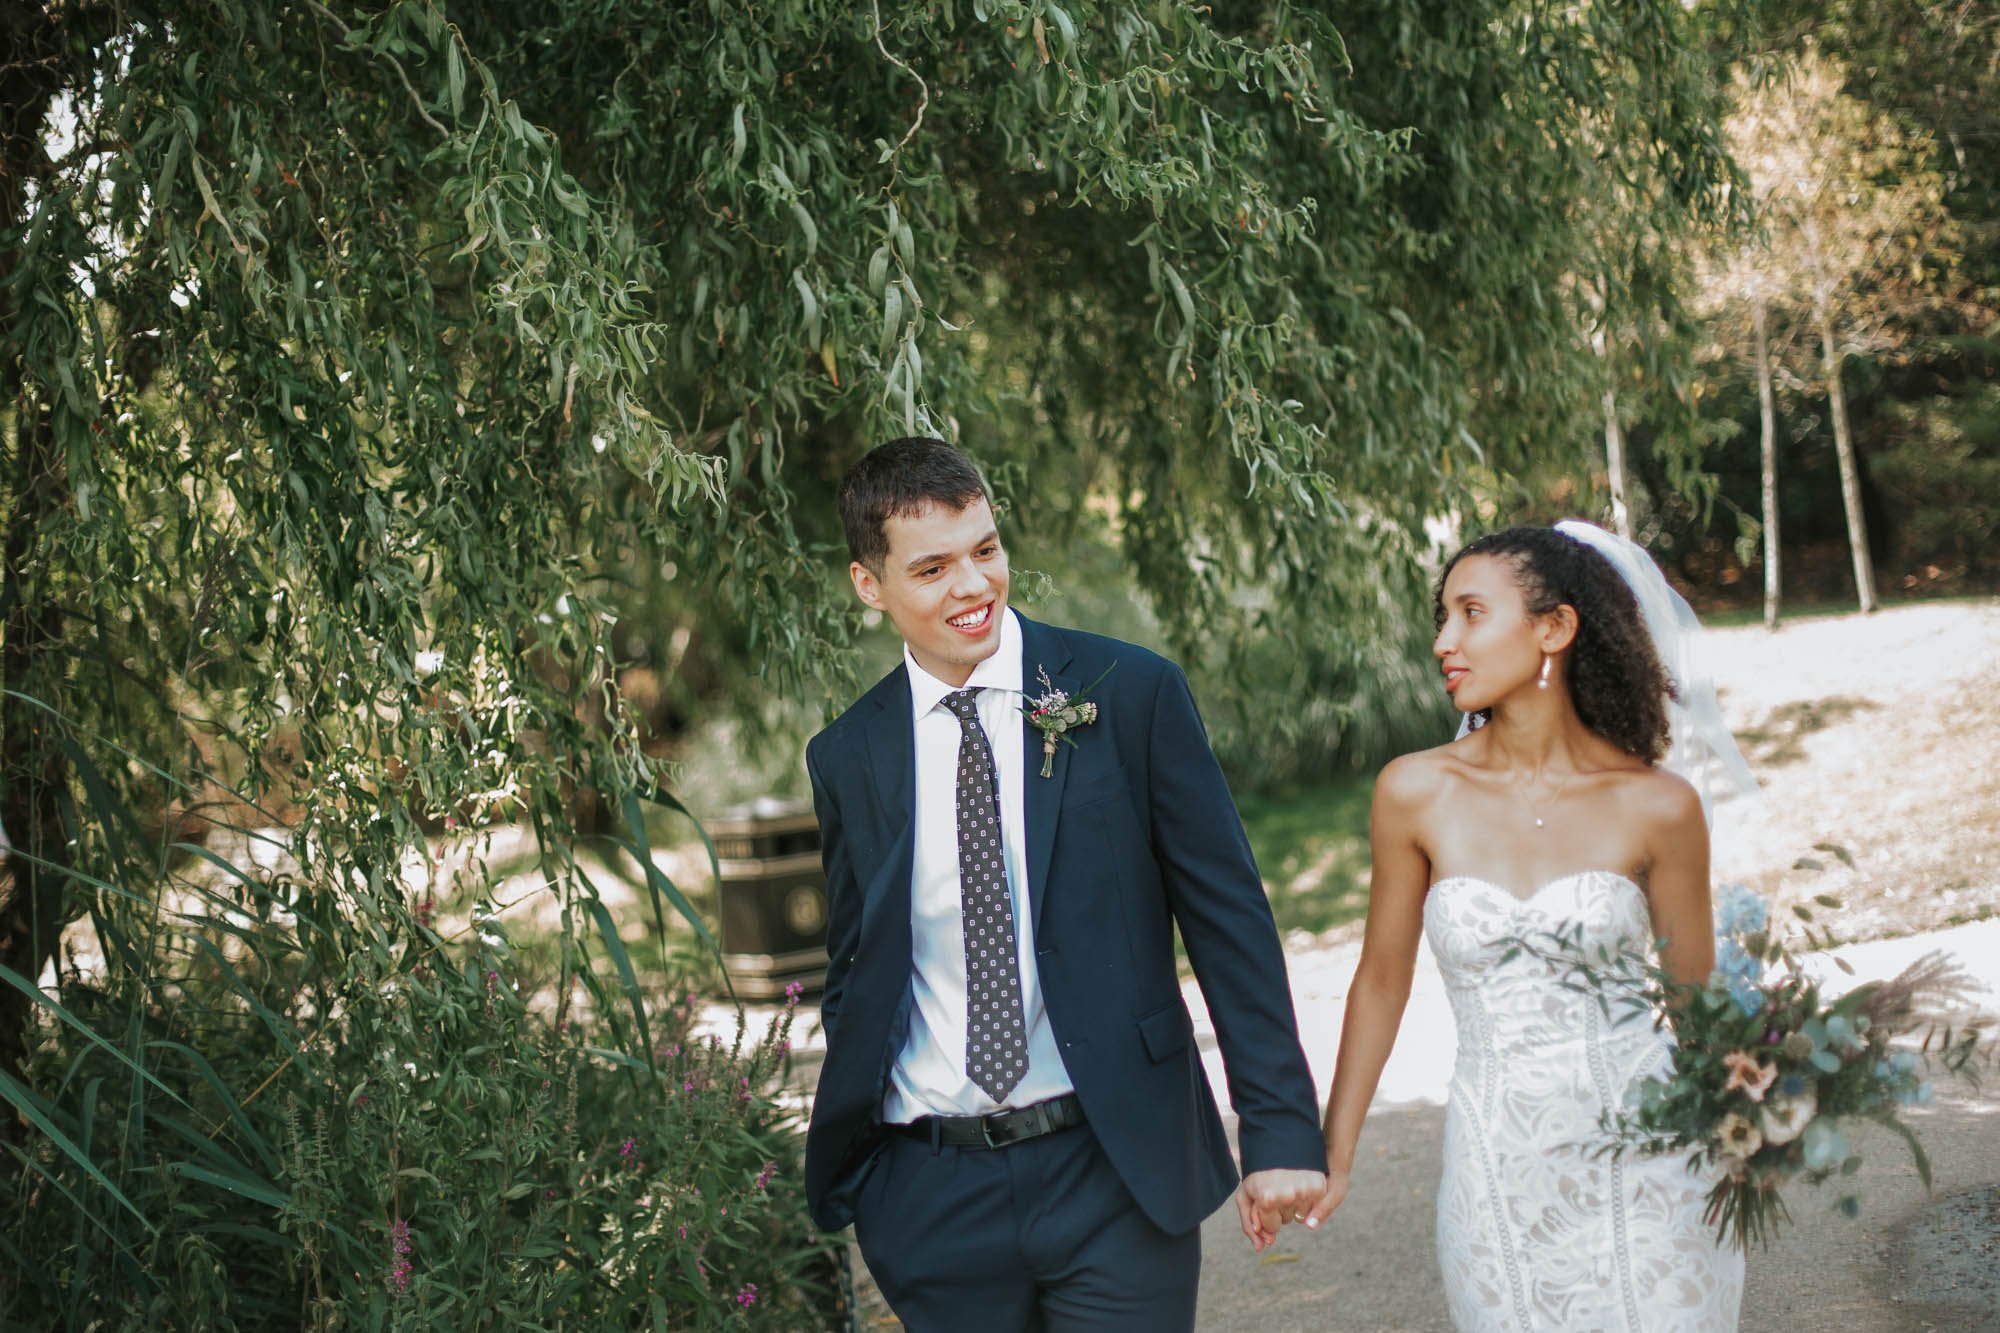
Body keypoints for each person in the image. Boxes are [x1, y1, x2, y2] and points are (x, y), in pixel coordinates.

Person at [801, 437, 1326, 1331]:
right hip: (930, 1195)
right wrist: (876, 1182)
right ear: (868, 584)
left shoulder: (1129, 696)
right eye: (932, 567)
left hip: (1113, 1166)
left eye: (986, 548)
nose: (972, 586)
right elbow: (860, 962)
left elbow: (1228, 918)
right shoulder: (848, 755)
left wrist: (1278, 1129)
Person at [1304, 523, 1747, 1331]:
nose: (1444, 640)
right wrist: (1335, 1148)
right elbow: (1380, 980)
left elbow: (1694, 1006)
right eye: (1443, 616)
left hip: (1649, 1163)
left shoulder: (1659, 806)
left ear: (1555, 627)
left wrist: (1755, 1123)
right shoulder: (1413, 791)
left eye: (1471, 613)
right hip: (1496, 1167)